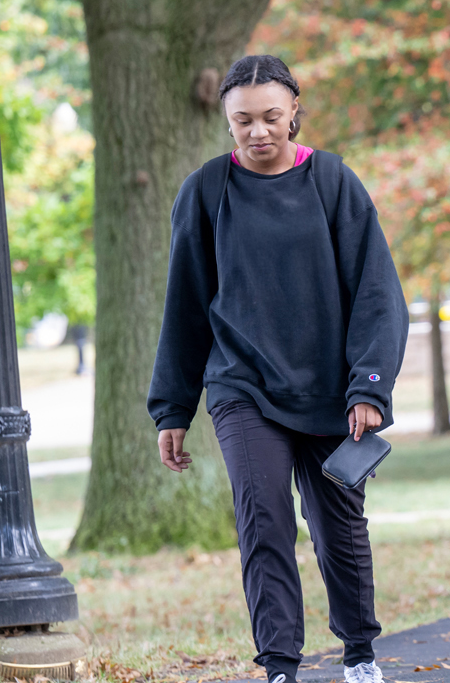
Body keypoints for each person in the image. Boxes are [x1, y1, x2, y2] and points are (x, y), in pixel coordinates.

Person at [150, 55, 408, 683]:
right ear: (226, 121)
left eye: (271, 116)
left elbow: (376, 292)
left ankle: (359, 654)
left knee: (338, 526)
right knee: (262, 516)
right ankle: (281, 667)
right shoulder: (206, 192)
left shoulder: (332, 182)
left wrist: (368, 385)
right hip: (242, 386)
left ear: (294, 109)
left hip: (332, 389)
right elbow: (185, 303)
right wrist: (172, 408)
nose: (259, 131)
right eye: (244, 121)